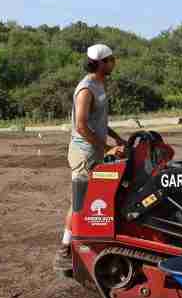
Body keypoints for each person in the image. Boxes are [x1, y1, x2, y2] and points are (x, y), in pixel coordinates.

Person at [53, 44, 127, 276]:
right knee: (80, 200)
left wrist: (117, 139)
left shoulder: (99, 84)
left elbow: (99, 121)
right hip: (84, 153)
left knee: (97, 196)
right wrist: (107, 147)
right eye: (111, 59)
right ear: (102, 63)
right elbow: (81, 126)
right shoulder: (86, 89)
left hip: (96, 149)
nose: (114, 62)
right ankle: (64, 251)